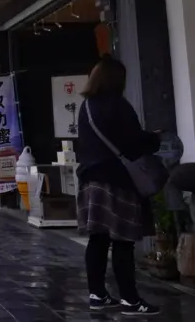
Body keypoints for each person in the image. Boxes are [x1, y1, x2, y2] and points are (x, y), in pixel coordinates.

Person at [77, 56, 161, 316]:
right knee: (123, 241)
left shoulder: (86, 107)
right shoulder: (118, 105)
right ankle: (130, 300)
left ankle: (97, 294)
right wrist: (154, 140)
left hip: (90, 181)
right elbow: (134, 142)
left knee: (98, 239)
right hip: (117, 182)